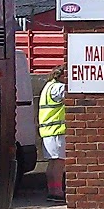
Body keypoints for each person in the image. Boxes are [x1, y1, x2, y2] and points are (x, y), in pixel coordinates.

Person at [38, 64, 67, 201]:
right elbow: (70, 97)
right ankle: (57, 192)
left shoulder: (48, 86)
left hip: (47, 131)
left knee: (52, 163)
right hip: (57, 131)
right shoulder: (58, 87)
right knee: (59, 163)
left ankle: (52, 190)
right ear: (62, 75)